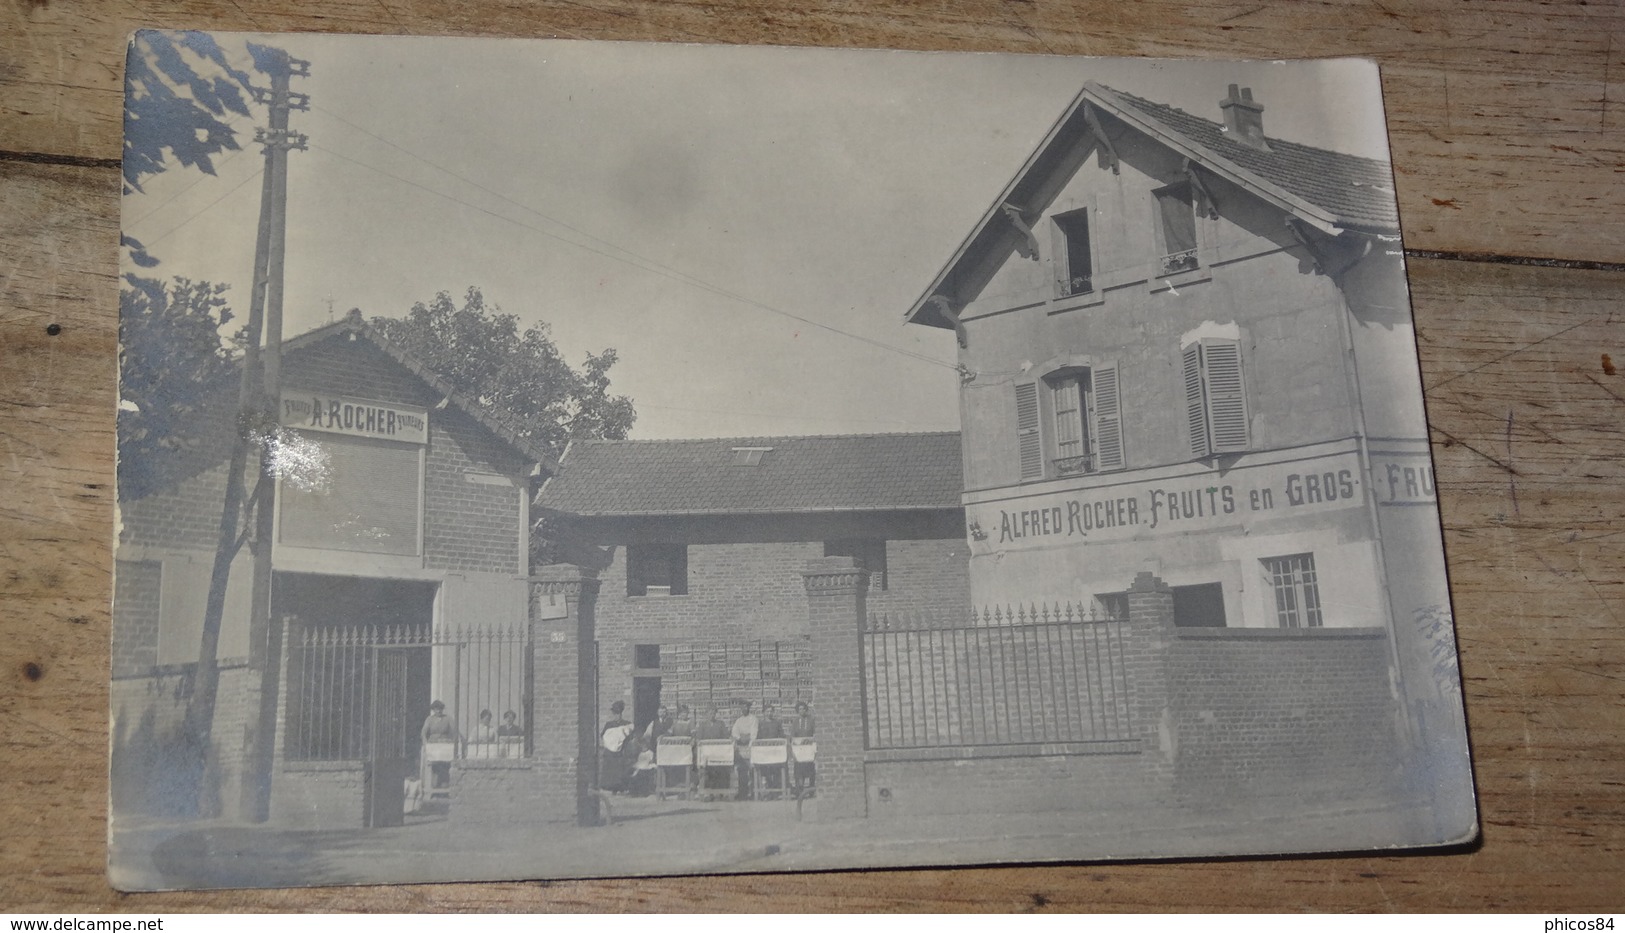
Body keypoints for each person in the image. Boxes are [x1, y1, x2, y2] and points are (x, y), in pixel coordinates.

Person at [598, 700, 637, 794]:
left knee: (621, 770)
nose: (617, 716)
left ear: (621, 713)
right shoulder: (609, 725)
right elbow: (603, 736)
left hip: (621, 752)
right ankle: (612, 788)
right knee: (611, 770)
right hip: (610, 752)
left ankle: (622, 788)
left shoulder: (626, 724)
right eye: (615, 714)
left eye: (618, 714)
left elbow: (630, 736)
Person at [420, 700, 458, 790]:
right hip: (433, 744)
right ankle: (434, 783)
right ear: (433, 710)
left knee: (445, 763)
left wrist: (453, 741)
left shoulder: (448, 718)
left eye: (440, 709)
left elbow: (454, 731)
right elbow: (423, 732)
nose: (439, 711)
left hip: (445, 744)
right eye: (436, 709)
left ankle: (444, 782)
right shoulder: (429, 719)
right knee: (434, 763)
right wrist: (425, 743)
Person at [731, 700, 760, 799]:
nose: (744, 709)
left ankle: (752, 792)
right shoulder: (739, 720)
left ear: (749, 708)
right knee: (741, 769)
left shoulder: (753, 719)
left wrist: (747, 738)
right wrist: (740, 738)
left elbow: (753, 733)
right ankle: (742, 792)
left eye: (746, 707)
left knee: (752, 770)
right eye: (742, 707)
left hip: (750, 746)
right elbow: (735, 732)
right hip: (741, 747)